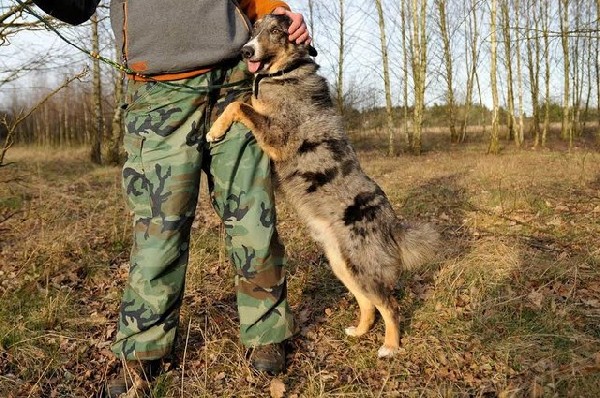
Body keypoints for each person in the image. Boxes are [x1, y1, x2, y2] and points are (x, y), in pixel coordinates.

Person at [31, 0, 311, 396]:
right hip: (160, 94)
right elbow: (76, 7)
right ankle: (144, 349)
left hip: (233, 84)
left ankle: (267, 331)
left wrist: (280, 12)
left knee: (253, 214)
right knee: (159, 228)